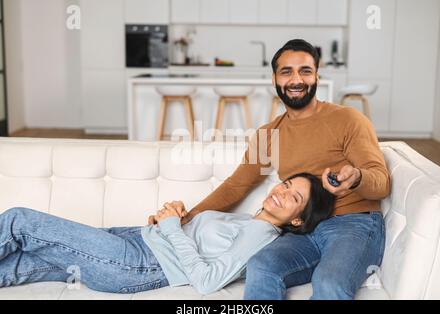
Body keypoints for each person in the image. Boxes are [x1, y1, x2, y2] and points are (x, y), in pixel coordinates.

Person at [150, 39, 391, 300]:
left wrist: (356, 178)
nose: (296, 79)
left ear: (317, 76)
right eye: (287, 71)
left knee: (329, 282)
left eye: (305, 71)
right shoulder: (269, 134)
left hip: (352, 223)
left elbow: (381, 182)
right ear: (275, 78)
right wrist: (189, 216)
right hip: (301, 229)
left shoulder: (347, 120)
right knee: (261, 266)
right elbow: (237, 185)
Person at [0, 173, 334, 295]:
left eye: (295, 198)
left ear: (297, 220)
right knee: (21, 262)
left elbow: (206, 282)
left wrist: (173, 227)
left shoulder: (261, 235)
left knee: (20, 221)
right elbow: (194, 241)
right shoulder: (249, 220)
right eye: (287, 184)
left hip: (135, 263)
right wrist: (173, 219)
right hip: (135, 240)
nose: (282, 192)